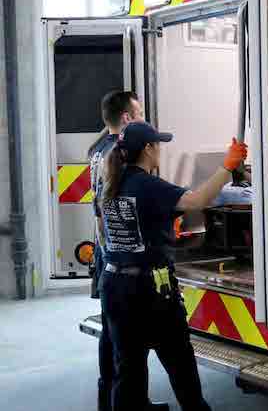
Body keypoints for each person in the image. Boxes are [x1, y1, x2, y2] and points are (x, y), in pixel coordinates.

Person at [98, 121, 247, 411]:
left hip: (114, 286)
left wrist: (156, 227)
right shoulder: (148, 185)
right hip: (149, 294)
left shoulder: (111, 184)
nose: (160, 151)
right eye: (158, 145)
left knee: (128, 371)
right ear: (148, 149)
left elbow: (105, 230)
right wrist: (227, 166)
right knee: (181, 368)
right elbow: (199, 200)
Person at [87, 91, 166, 411]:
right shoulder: (119, 152)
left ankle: (115, 400)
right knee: (125, 340)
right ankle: (129, 402)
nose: (144, 117)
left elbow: (98, 206)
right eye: (140, 112)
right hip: (119, 252)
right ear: (127, 119)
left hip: (106, 249)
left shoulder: (97, 148)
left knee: (114, 332)